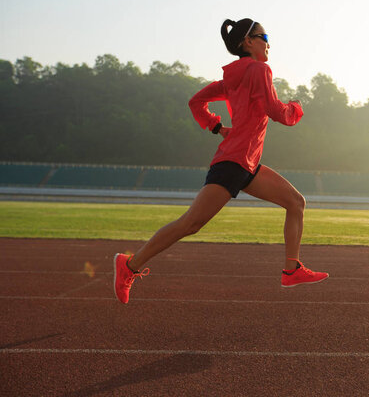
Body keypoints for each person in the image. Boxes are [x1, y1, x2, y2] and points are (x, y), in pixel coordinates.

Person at [113, 18, 329, 304]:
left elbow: (195, 102)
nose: (268, 42)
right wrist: (296, 109)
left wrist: (216, 127)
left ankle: (291, 269)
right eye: (263, 36)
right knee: (190, 224)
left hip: (246, 164)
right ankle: (128, 265)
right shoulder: (259, 69)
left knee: (295, 202)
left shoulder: (232, 78)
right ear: (248, 42)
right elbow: (276, 111)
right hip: (233, 163)